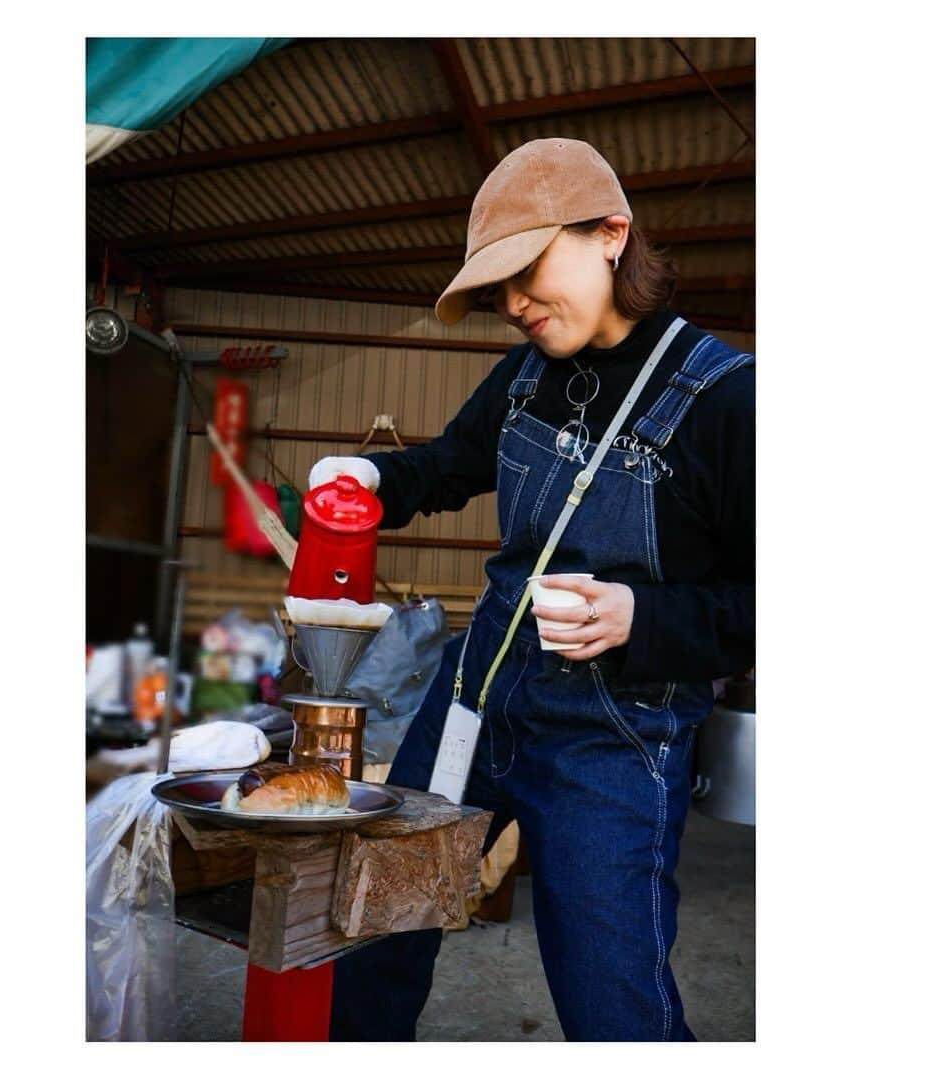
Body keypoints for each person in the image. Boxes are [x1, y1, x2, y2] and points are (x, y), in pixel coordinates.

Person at [309, 138, 754, 1041]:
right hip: (471, 704)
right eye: (496, 286)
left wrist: (646, 616)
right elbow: (449, 464)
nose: (511, 305)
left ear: (611, 234)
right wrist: (371, 477)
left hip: (612, 743)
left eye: (526, 272)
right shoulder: (524, 374)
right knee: (378, 931)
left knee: (610, 999)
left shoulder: (729, 404)